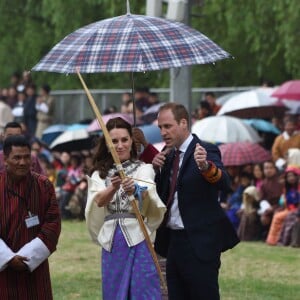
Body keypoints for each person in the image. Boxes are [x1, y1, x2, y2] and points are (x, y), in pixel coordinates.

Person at [152, 103, 239, 300]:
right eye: (160, 128)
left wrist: (205, 166)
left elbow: (225, 183)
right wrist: (156, 172)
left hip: (199, 242)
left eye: (168, 126)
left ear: (183, 123)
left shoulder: (206, 149)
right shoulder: (167, 156)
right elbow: (161, 197)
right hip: (173, 242)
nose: (163, 132)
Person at [85, 117, 166, 299]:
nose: (120, 145)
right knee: (115, 292)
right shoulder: (100, 174)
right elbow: (98, 200)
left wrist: (135, 188)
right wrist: (113, 187)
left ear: (131, 141)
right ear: (107, 144)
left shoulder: (144, 168)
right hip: (112, 241)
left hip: (139, 237)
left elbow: (149, 192)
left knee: (143, 290)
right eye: (114, 141)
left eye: (124, 140)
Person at [0, 135, 61, 299]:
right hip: (3, 271)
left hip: (35, 267)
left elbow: (53, 223)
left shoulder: (43, 185)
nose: (23, 162)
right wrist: (8, 258)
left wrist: (30, 257)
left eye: (27, 157)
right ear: (5, 159)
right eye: (17, 158)